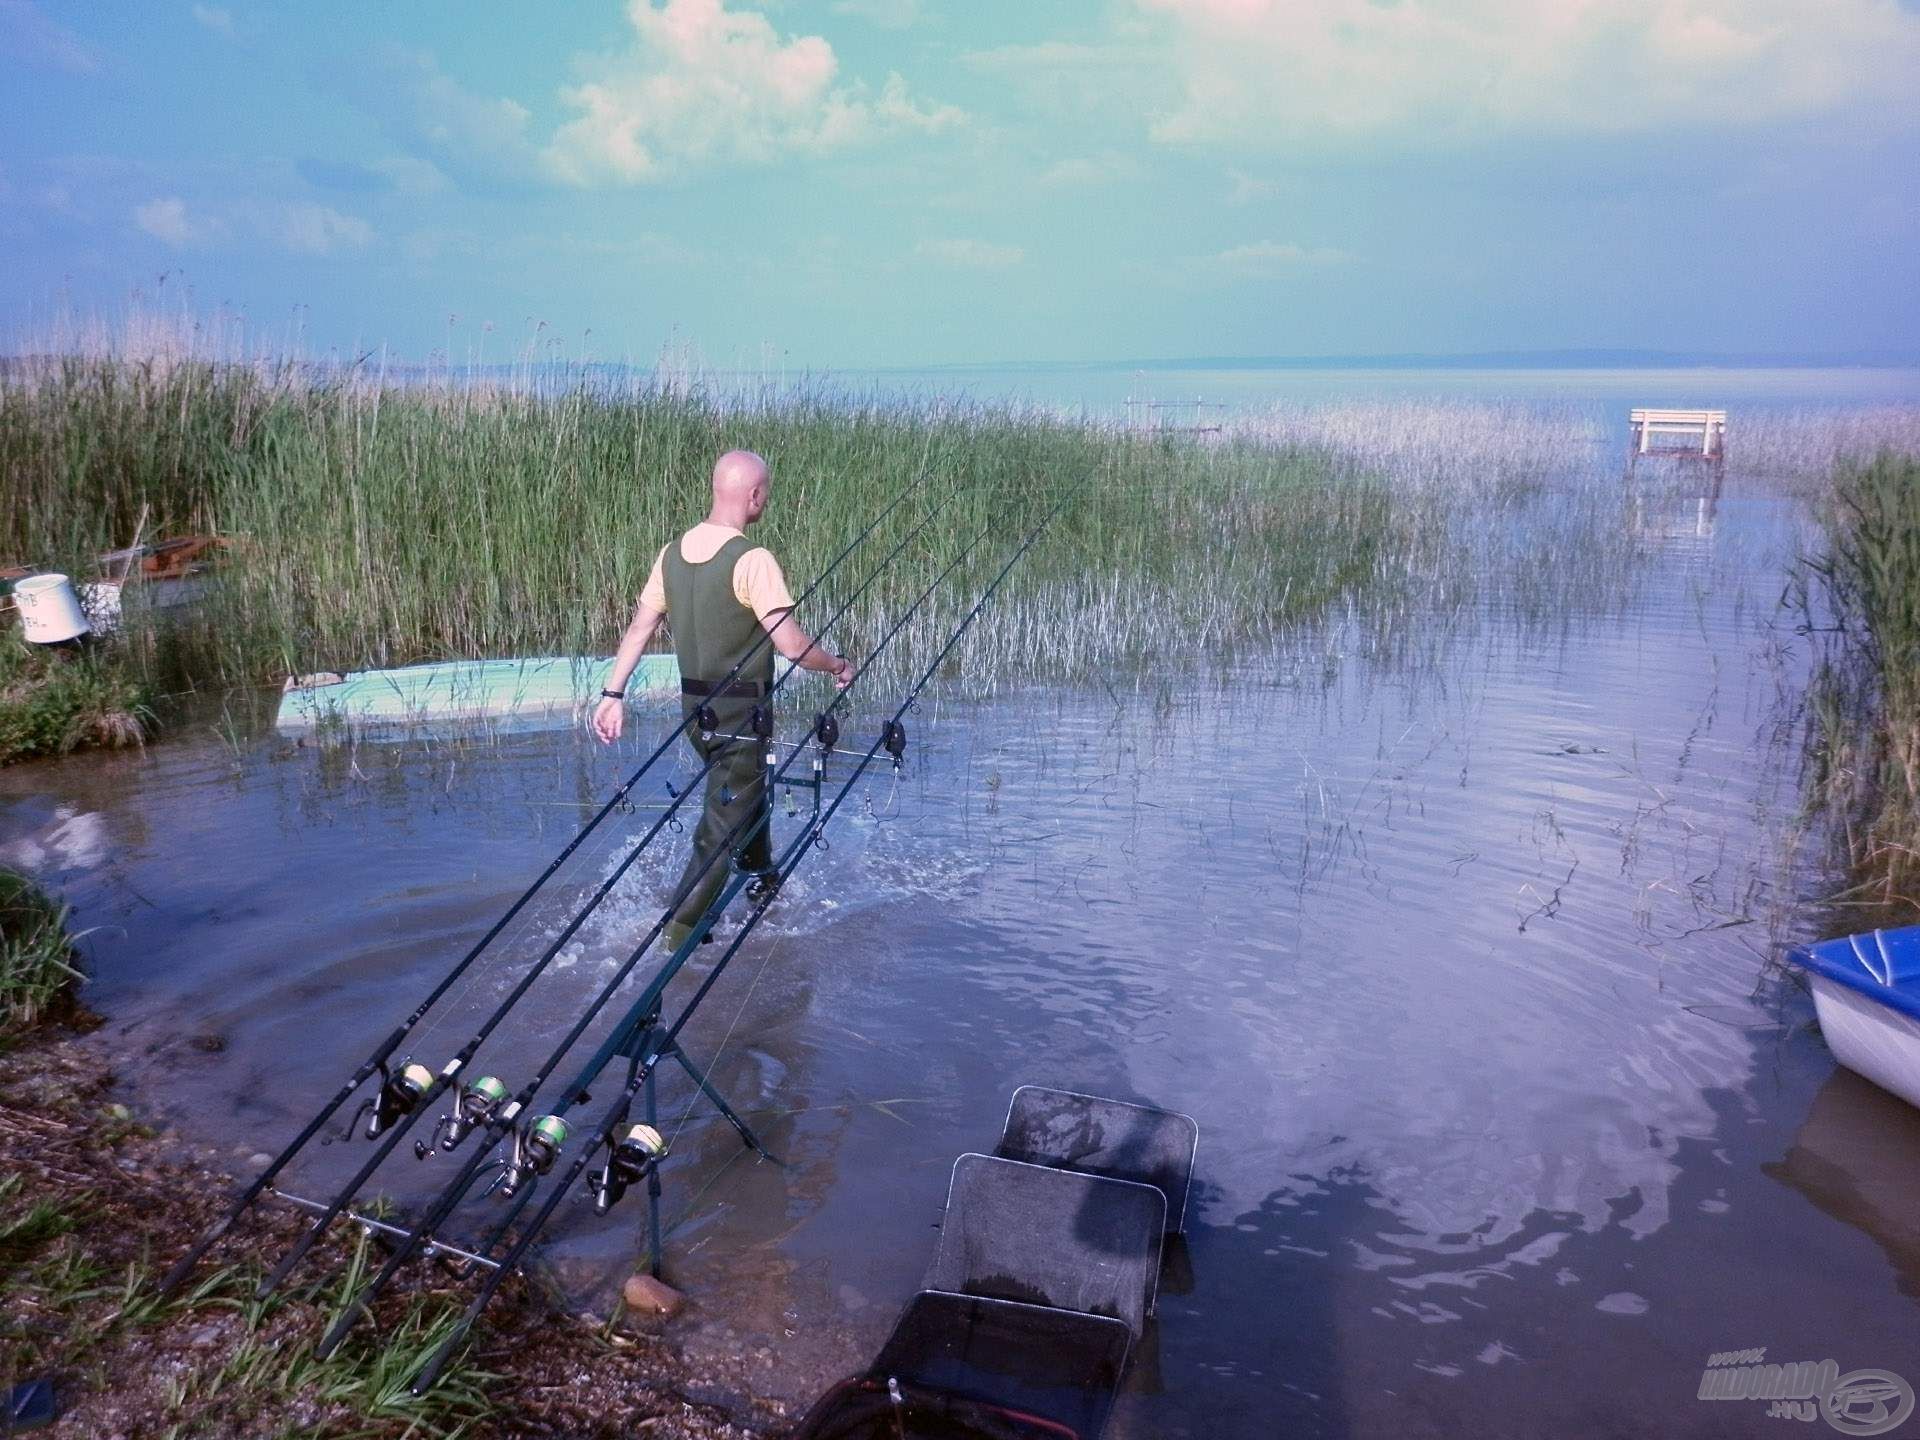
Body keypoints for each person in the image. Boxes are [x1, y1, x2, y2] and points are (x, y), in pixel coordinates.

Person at [593, 449, 853, 955]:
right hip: (741, 718)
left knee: (741, 797)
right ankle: (679, 939)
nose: (765, 501)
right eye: (766, 493)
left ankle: (762, 877)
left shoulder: (671, 553)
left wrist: (613, 694)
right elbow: (793, 646)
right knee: (718, 831)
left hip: (696, 716)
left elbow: (640, 627)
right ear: (754, 496)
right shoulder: (753, 560)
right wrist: (839, 666)